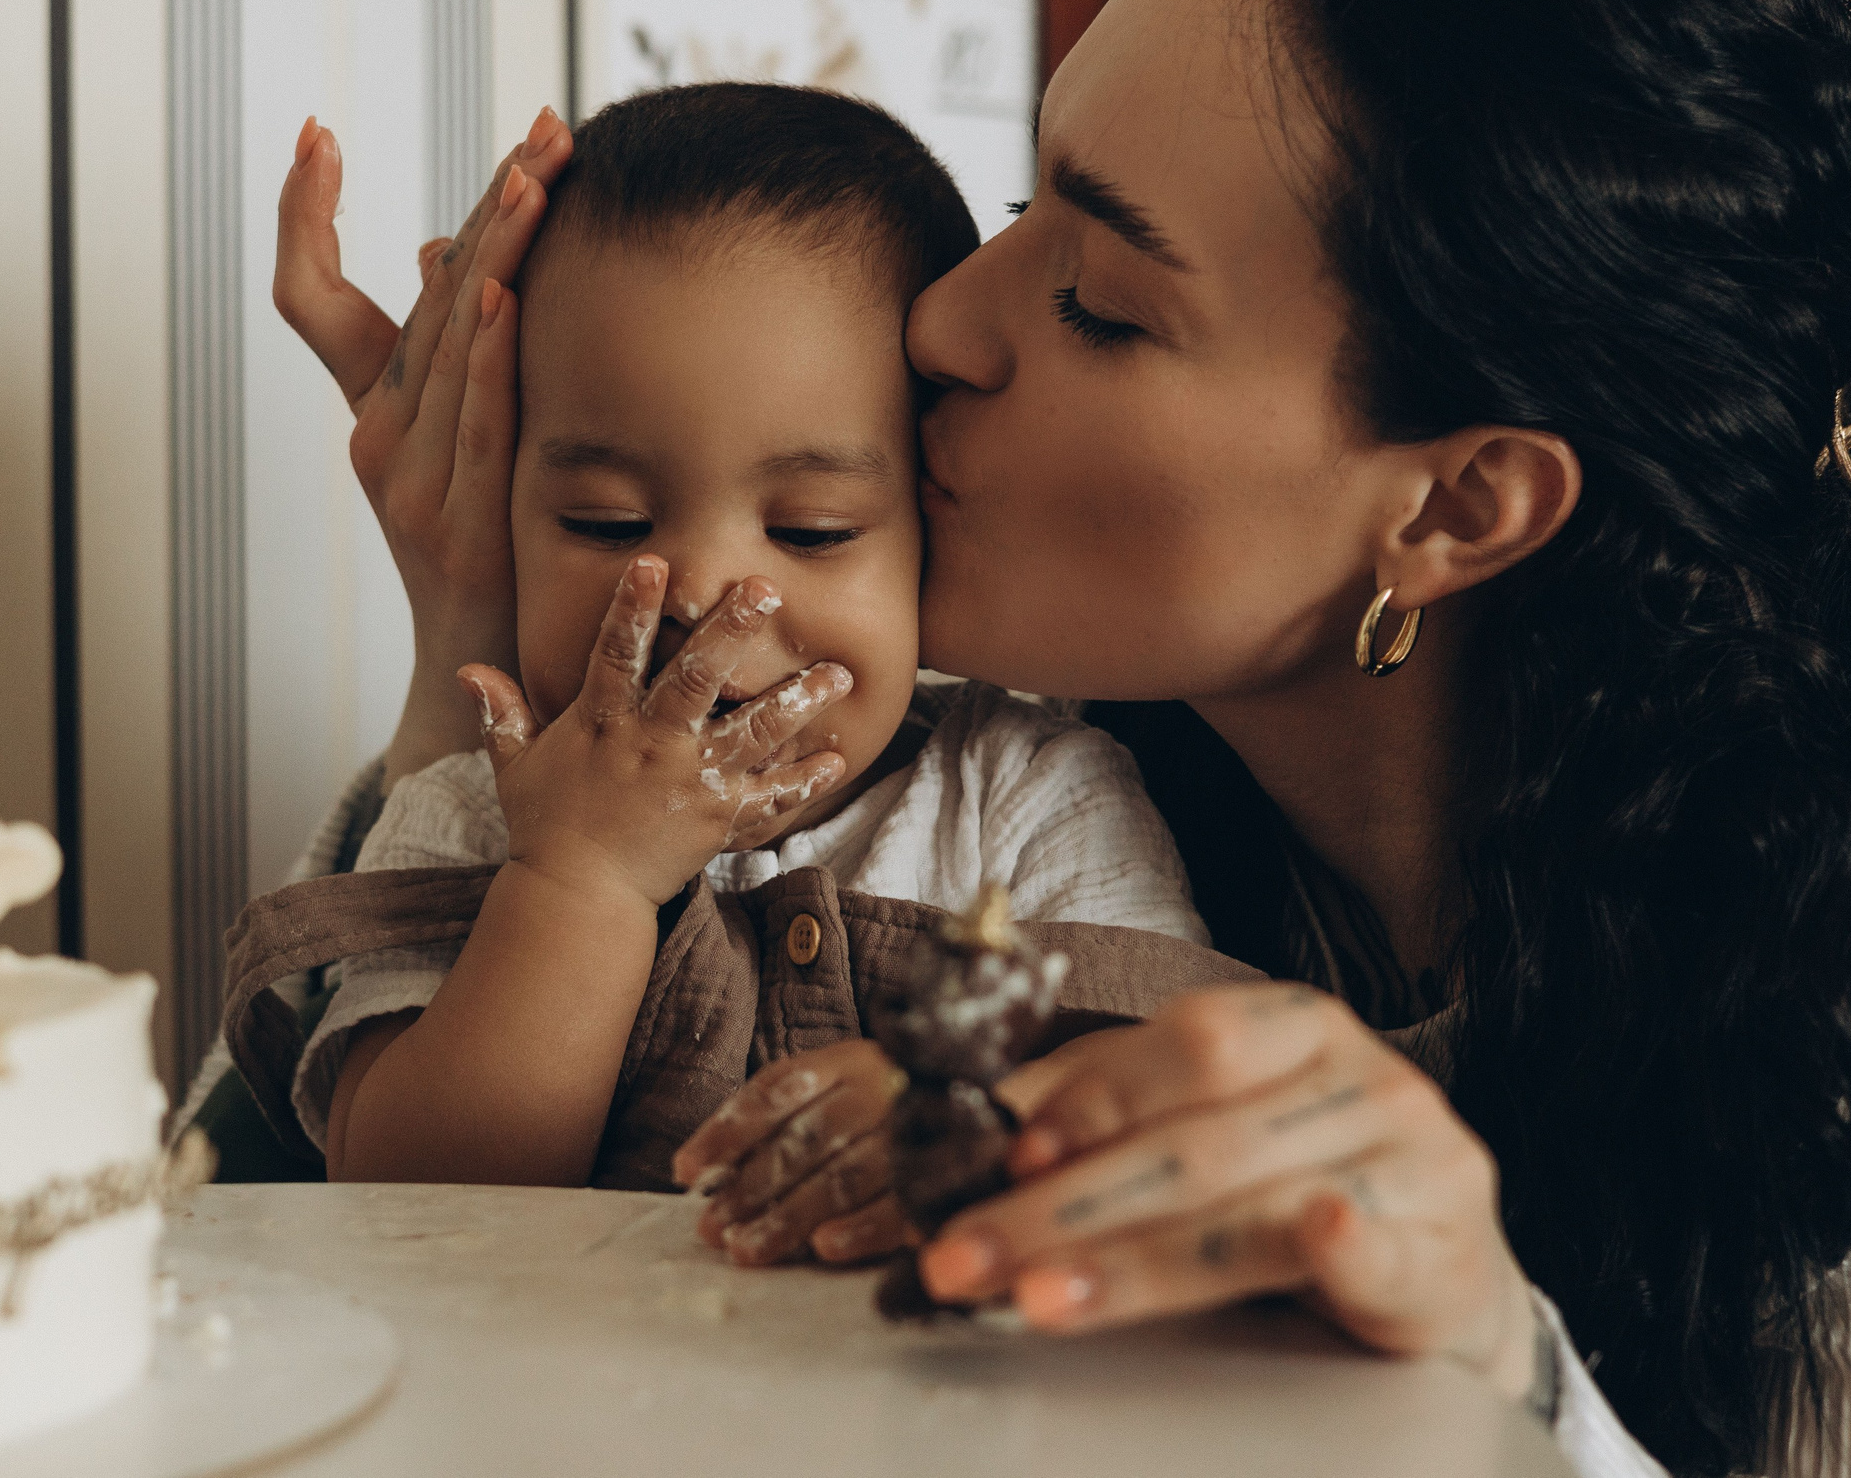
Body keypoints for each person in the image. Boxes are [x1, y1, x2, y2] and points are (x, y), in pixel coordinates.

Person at [254, 0, 1851, 1477]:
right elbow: (294, 1242)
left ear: (1452, 507)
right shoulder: (1054, 776)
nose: (936, 317)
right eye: (1023, 203)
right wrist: (476, 626)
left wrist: (1499, 1363)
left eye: (1099, 301)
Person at [254, 83, 1209, 1194]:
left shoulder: (1027, 797)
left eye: (813, 530)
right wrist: (580, 881)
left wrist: (962, 1108)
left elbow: (1180, 1104)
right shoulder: (466, 811)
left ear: (939, 528)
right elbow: (402, 1204)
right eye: (606, 522)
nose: (700, 592)